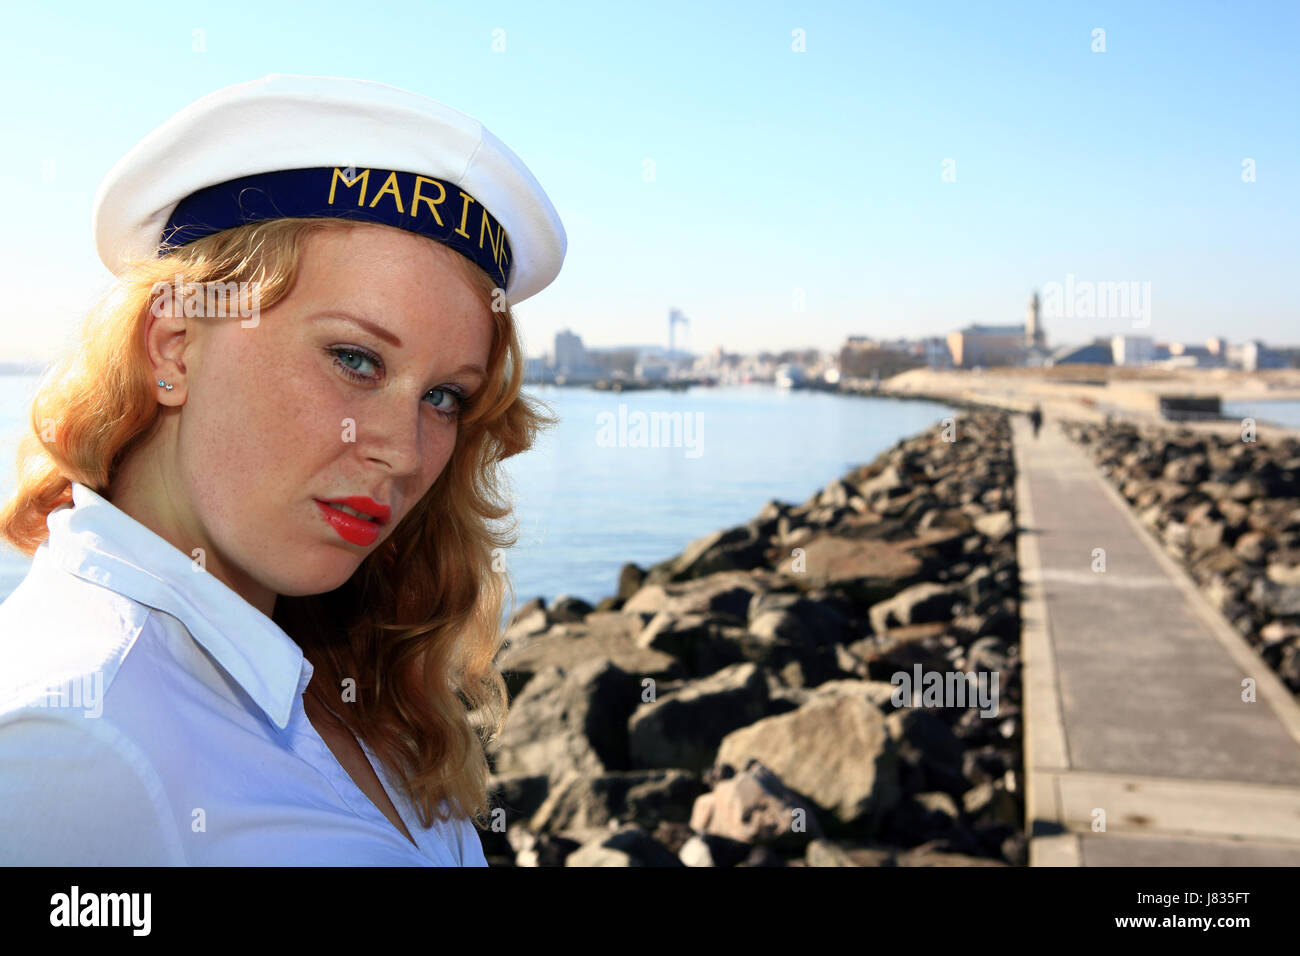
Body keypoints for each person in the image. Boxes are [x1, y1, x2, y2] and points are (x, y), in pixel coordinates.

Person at [0, 74, 566, 865]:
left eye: (443, 396)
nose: (403, 453)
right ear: (175, 344)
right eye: (356, 359)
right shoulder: (74, 743)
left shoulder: (342, 674)